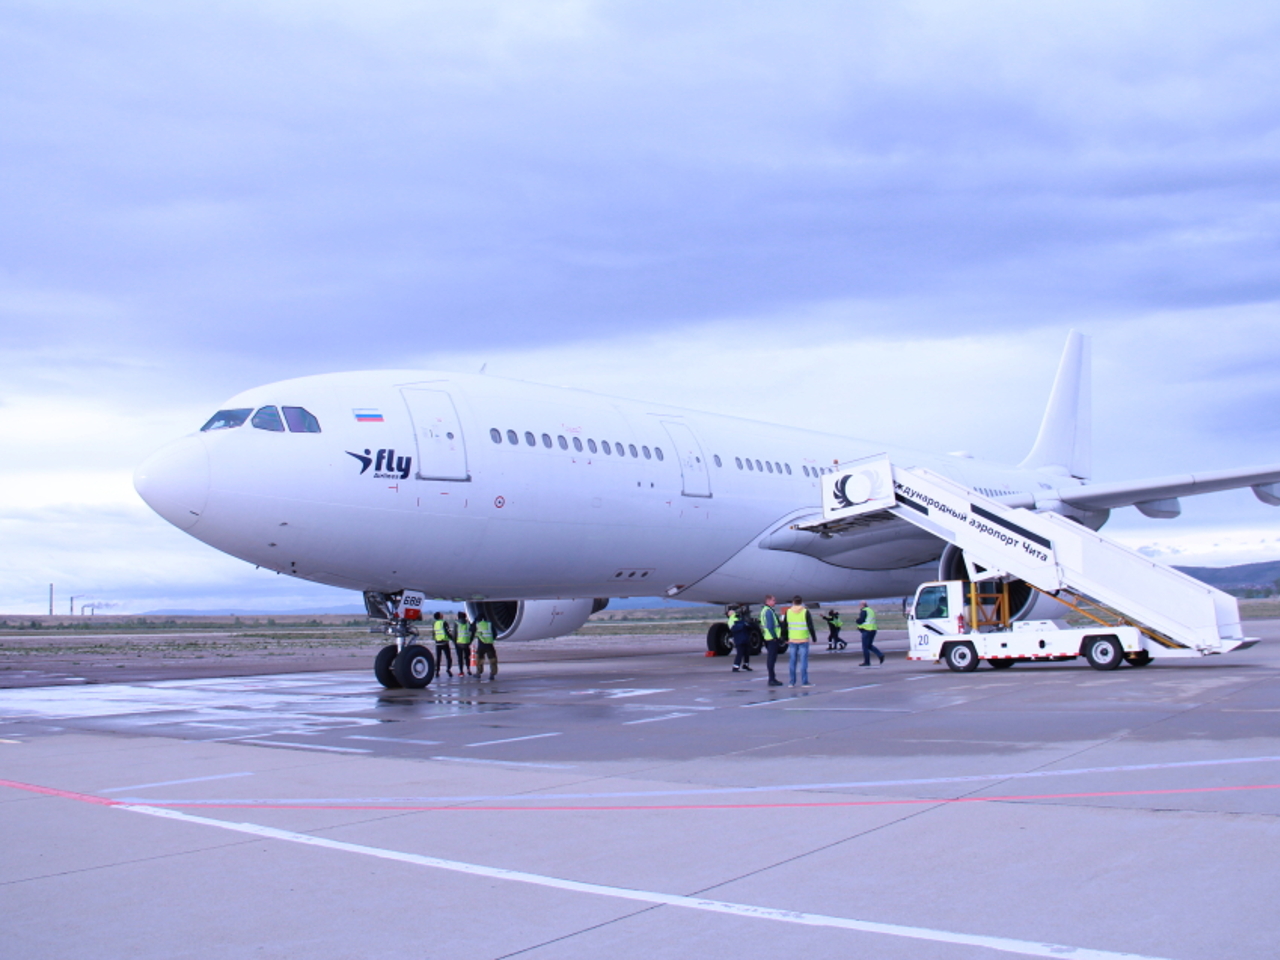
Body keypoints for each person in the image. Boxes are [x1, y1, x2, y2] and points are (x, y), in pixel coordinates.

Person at [784, 596, 816, 687]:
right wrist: (814, 637)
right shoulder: (805, 611)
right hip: (803, 639)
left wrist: (785, 638)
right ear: (801, 602)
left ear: (793, 602)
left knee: (792, 661)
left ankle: (791, 682)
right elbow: (810, 625)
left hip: (793, 639)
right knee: (803, 661)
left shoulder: (788, 611)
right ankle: (804, 682)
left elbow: (785, 626)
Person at [759, 594, 784, 686]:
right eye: (773, 600)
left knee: (771, 659)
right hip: (771, 638)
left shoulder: (765, 610)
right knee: (771, 659)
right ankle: (771, 679)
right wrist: (775, 637)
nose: (775, 602)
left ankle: (772, 678)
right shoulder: (768, 611)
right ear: (768, 601)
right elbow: (770, 626)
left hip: (768, 637)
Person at [857, 601, 884, 666]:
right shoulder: (870, 610)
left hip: (867, 630)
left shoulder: (864, 611)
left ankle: (867, 662)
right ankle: (880, 655)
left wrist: (857, 620)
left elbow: (861, 620)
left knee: (865, 647)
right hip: (873, 629)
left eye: (860, 605)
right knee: (869, 645)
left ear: (863, 605)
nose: (859, 606)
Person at [473, 613, 498, 679]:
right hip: (489, 645)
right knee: (492, 660)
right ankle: (492, 674)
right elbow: (495, 634)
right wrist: (490, 639)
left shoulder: (477, 625)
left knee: (479, 660)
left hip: (481, 645)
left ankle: (478, 673)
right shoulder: (490, 624)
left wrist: (474, 620)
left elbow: (471, 629)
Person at [729, 605, 752, 672]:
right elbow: (733, 629)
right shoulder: (732, 620)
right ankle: (735, 667)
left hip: (744, 637)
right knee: (740, 653)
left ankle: (745, 665)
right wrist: (743, 625)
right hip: (739, 639)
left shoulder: (739, 618)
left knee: (746, 653)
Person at [431, 611, 454, 677]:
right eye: (441, 614)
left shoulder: (434, 623)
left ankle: (437, 671)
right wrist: (452, 639)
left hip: (438, 643)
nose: (442, 614)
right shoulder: (444, 622)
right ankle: (448, 669)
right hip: (444, 642)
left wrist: (435, 639)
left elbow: (434, 633)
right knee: (448, 657)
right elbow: (447, 632)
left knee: (438, 658)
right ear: (440, 616)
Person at [454, 611, 474, 677]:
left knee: (460, 658)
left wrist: (455, 642)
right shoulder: (468, 623)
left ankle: (461, 671)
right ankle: (468, 669)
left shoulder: (456, 623)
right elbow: (472, 632)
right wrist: (470, 640)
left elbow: (454, 634)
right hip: (467, 643)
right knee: (467, 657)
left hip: (459, 643)